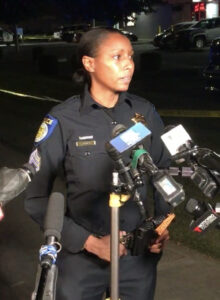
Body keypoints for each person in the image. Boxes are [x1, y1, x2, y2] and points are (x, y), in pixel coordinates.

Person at [25, 27, 171, 300]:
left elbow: (163, 170)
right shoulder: (63, 121)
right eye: (117, 57)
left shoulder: (145, 114)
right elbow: (36, 198)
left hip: (136, 258)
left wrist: (160, 226)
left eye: (130, 56)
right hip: (82, 258)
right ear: (89, 63)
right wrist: (89, 243)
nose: (128, 64)